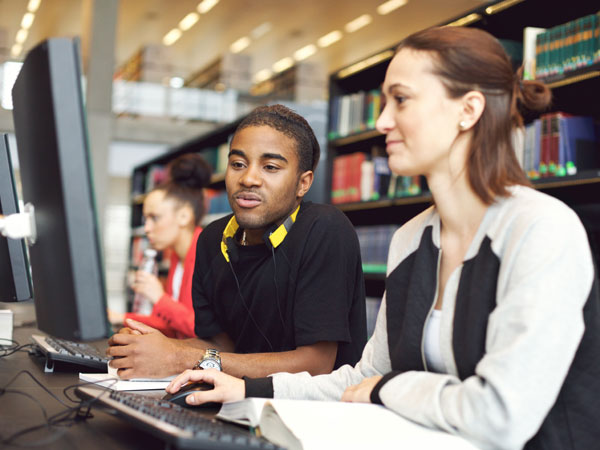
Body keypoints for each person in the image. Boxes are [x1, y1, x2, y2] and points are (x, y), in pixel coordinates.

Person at [166, 27, 600, 449]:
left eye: (401, 100)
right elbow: (362, 376)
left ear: (468, 109)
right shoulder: (412, 239)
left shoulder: (542, 230)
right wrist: (246, 388)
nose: (382, 121)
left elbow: (501, 416)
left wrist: (389, 389)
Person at [108, 104, 367, 380]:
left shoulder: (325, 229)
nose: (248, 178)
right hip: (235, 403)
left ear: (303, 184)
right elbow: (221, 347)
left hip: (309, 415)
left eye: (270, 167)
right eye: (238, 164)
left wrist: (177, 357)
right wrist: (150, 346)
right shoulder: (212, 239)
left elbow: (315, 364)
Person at [108, 153, 212, 338]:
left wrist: (158, 297)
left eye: (154, 218)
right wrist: (119, 317)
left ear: (184, 216)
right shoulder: (176, 256)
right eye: (146, 219)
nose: (147, 229)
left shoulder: (206, 255)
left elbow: (200, 329)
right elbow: (171, 323)